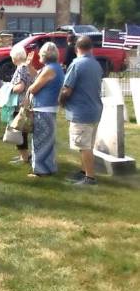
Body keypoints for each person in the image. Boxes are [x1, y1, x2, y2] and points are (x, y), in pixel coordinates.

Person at [59, 36, 103, 185]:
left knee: (83, 146)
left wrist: (61, 102)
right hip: (95, 109)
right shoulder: (96, 64)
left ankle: (90, 177)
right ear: (91, 48)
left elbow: (67, 89)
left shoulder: (77, 64)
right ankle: (84, 171)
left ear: (77, 48)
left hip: (81, 111)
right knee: (88, 144)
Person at [25, 42, 64, 177]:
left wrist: (30, 88)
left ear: (44, 55)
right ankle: (49, 167)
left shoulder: (49, 69)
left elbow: (35, 87)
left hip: (43, 109)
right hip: (50, 108)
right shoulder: (54, 68)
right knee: (48, 140)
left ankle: (40, 170)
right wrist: (29, 66)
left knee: (40, 140)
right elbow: (37, 77)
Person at [9, 45, 36, 164]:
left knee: (19, 131)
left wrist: (9, 88)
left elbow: (20, 87)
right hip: (28, 102)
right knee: (23, 131)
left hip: (20, 103)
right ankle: (23, 155)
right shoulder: (28, 67)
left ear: (15, 57)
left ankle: (24, 156)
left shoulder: (20, 68)